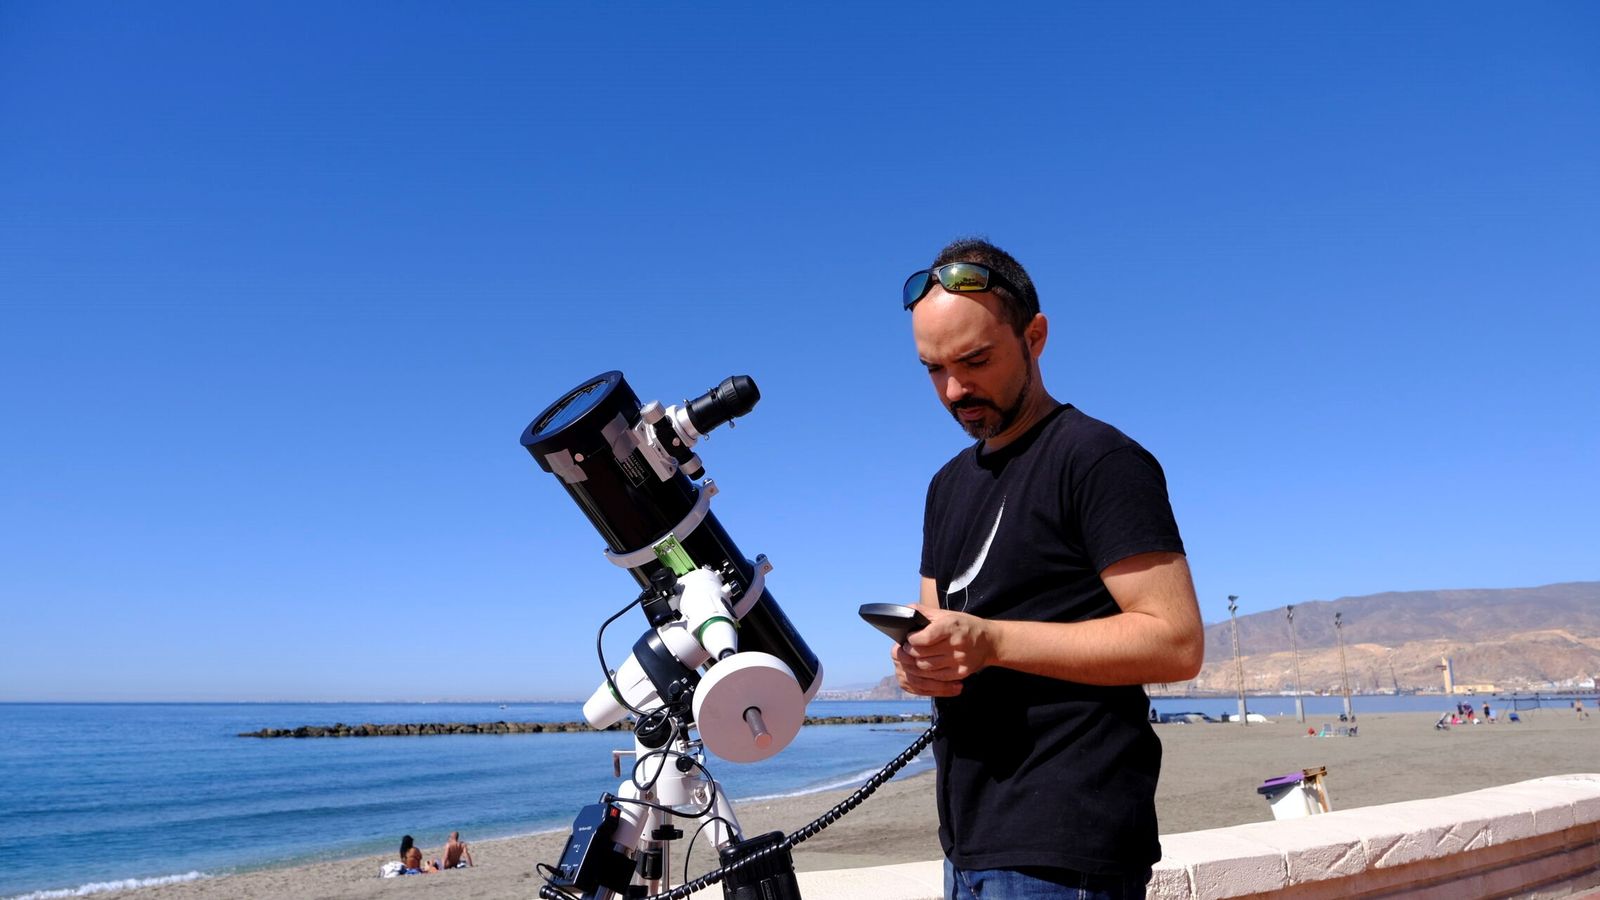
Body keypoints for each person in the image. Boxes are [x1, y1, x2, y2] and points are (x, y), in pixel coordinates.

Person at [892, 238, 1204, 899]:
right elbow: (938, 630)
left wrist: (992, 640)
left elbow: (1176, 641)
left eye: (975, 360)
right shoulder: (945, 486)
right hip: (968, 844)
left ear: (1035, 336)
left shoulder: (1098, 460)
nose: (955, 389)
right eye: (933, 369)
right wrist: (922, 664)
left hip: (1069, 852)